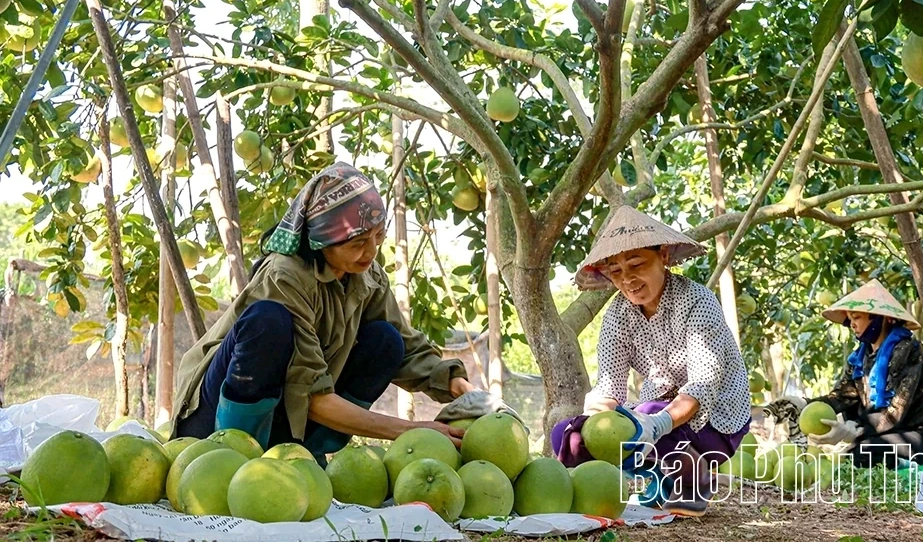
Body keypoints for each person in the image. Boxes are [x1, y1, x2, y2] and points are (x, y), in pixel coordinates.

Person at [171, 162, 488, 463]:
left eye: (378, 235)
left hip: (284, 426)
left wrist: (462, 388)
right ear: (322, 241)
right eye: (357, 242)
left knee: (387, 341)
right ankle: (235, 454)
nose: (371, 251)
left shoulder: (366, 274)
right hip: (209, 421)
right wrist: (410, 431)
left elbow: (408, 350)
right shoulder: (284, 277)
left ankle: (307, 455)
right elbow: (312, 394)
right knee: (268, 321)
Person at [552, 206, 752, 517]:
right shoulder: (618, 315)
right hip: (655, 416)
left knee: (644, 417)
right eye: (616, 271)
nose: (628, 279)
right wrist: (592, 427)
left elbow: (701, 387)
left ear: (663, 255)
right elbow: (609, 388)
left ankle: (692, 478)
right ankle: (639, 480)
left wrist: (654, 423)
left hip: (716, 420)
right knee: (567, 434)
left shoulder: (698, 301)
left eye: (636, 264)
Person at [767, 279, 923, 469]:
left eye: (857, 317)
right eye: (850, 319)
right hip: (894, 434)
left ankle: (912, 472)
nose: (852, 325)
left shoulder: (906, 351)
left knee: (863, 455)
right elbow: (842, 396)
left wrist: (854, 431)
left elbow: (894, 414)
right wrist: (803, 404)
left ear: (882, 318)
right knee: (855, 457)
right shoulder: (860, 358)